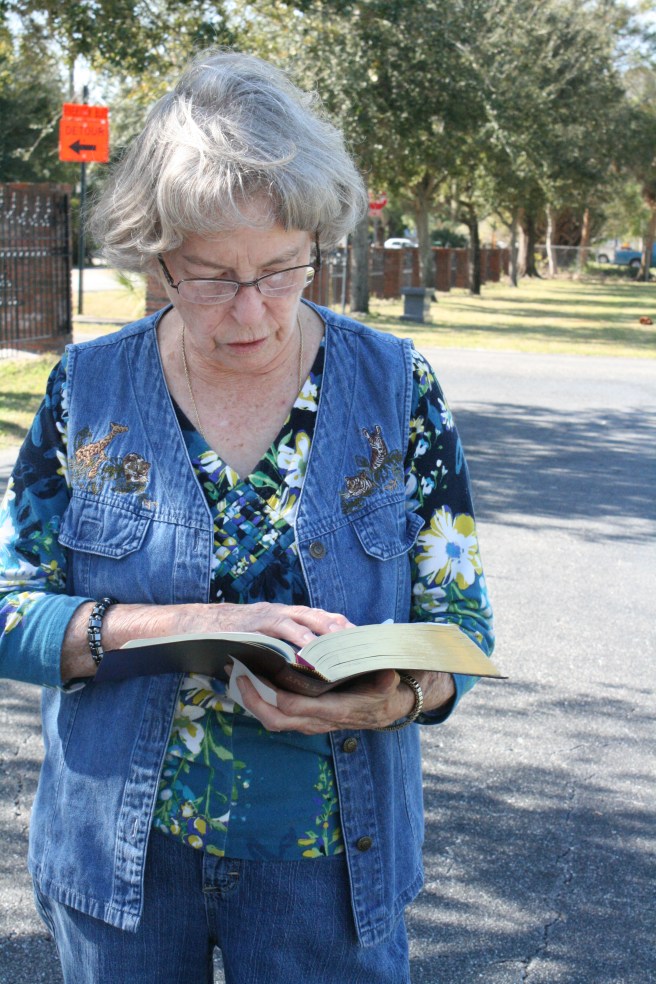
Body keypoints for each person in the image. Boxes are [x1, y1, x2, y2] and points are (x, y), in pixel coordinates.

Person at [0, 50, 494, 984]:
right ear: (156, 256)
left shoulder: (396, 388)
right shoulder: (88, 389)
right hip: (119, 864)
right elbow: (9, 611)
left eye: (281, 269)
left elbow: (461, 625)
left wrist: (398, 698)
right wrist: (193, 625)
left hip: (332, 873)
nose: (253, 312)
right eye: (212, 276)